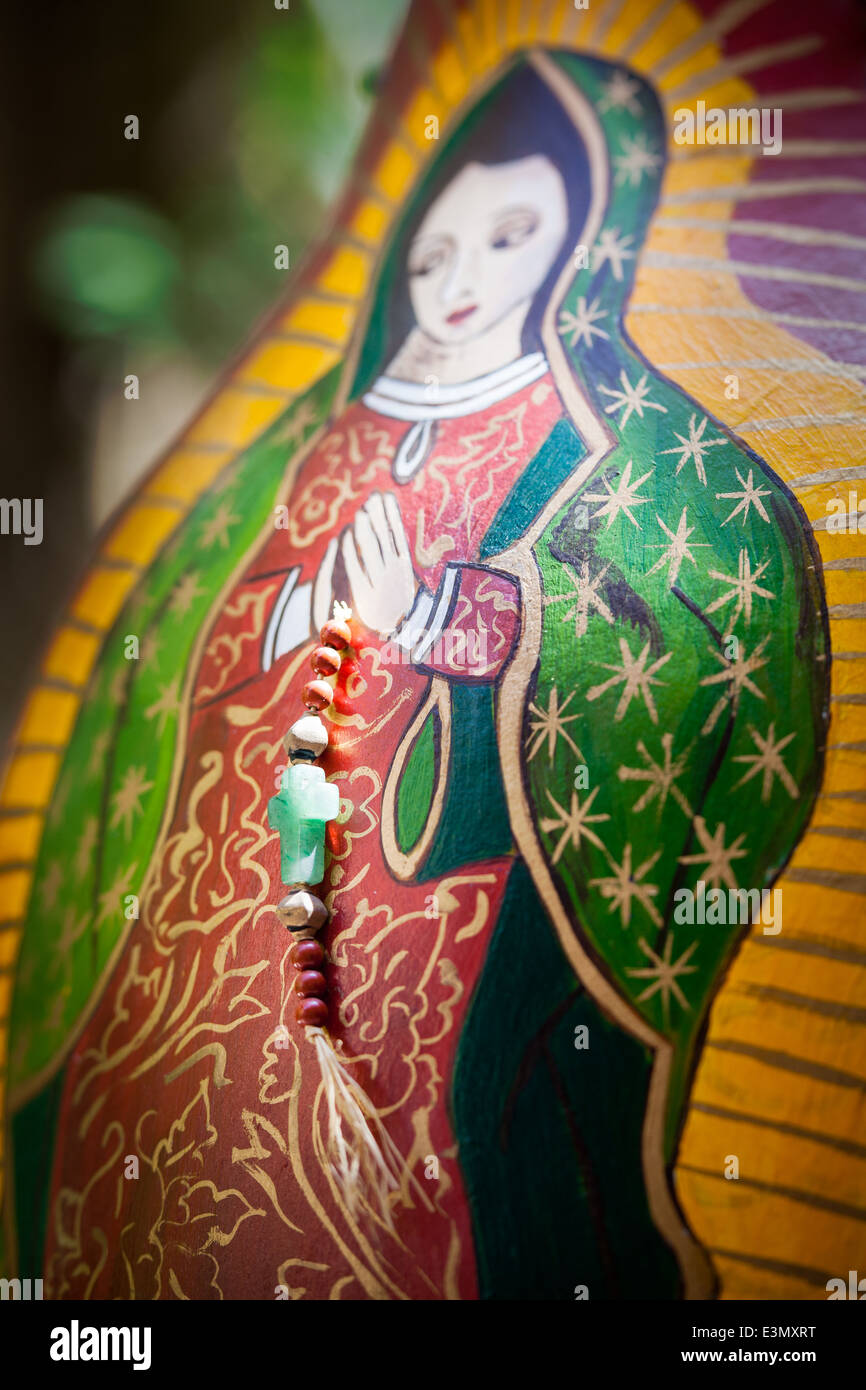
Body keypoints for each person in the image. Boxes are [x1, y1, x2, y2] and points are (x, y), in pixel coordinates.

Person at [13, 55, 828, 1301]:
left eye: (511, 241)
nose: (461, 284)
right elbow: (209, 629)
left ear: (583, 254)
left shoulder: (622, 455)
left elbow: (650, 633)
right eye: (434, 252)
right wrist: (305, 611)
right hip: (218, 912)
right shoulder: (314, 439)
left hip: (426, 928)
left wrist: (434, 619)